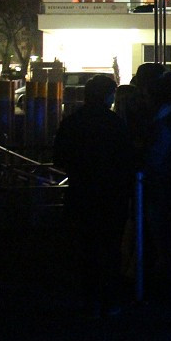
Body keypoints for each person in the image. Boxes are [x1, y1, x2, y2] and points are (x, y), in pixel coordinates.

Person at [53, 74, 137, 318]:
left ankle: (88, 299)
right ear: (107, 95)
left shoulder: (72, 122)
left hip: (80, 192)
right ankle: (109, 300)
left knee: (85, 248)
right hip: (111, 195)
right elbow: (126, 158)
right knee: (110, 248)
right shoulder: (114, 123)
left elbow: (60, 158)